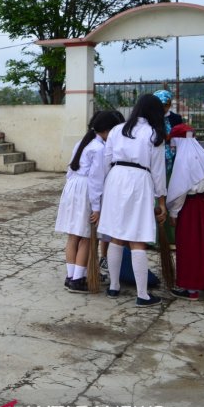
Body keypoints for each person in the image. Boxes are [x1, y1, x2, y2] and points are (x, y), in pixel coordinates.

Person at [98, 94, 168, 307]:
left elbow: (106, 160)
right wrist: (161, 201)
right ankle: (142, 294)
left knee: (117, 235)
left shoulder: (118, 129)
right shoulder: (154, 134)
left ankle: (114, 286)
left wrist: (106, 186)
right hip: (140, 180)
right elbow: (158, 171)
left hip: (116, 178)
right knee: (137, 237)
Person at [54, 111, 123, 293]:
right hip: (85, 189)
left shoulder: (82, 143)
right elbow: (96, 180)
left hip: (72, 186)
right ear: (107, 130)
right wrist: (97, 208)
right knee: (85, 236)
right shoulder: (99, 149)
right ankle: (78, 280)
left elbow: (70, 170)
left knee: (72, 236)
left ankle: (70, 277)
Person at [167, 124, 204, 301]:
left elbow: (179, 191)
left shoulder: (183, 160)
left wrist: (173, 213)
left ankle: (191, 288)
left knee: (189, 245)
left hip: (189, 206)